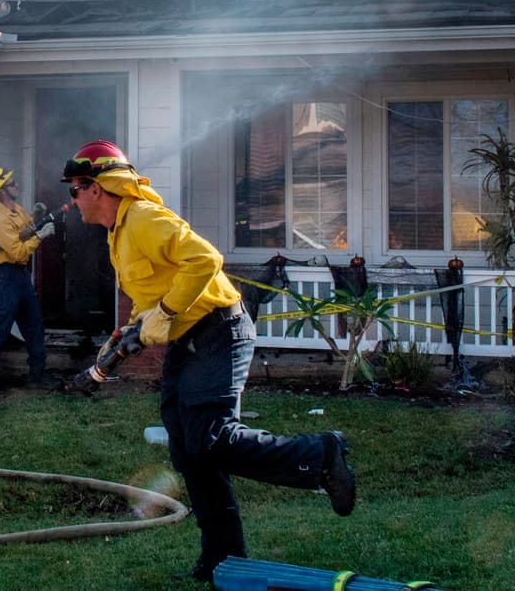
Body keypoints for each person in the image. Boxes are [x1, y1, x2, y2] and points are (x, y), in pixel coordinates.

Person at [62, 140, 356, 582]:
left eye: (75, 190)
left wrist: (162, 315)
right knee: (188, 450)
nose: (72, 199)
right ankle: (223, 561)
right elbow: (157, 289)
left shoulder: (143, 218)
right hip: (189, 340)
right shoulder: (118, 233)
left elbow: (204, 259)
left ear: (98, 187)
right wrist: (135, 326)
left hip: (219, 330)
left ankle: (320, 455)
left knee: (211, 438)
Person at [0, 166, 54, 395]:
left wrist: (36, 217)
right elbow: (18, 252)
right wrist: (40, 236)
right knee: (0, 324)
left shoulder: (17, 210)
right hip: (4, 275)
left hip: (19, 275)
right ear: (1, 192)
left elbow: (26, 228)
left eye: (14, 181)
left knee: (34, 323)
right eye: (12, 184)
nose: (16, 185)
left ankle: (37, 374)